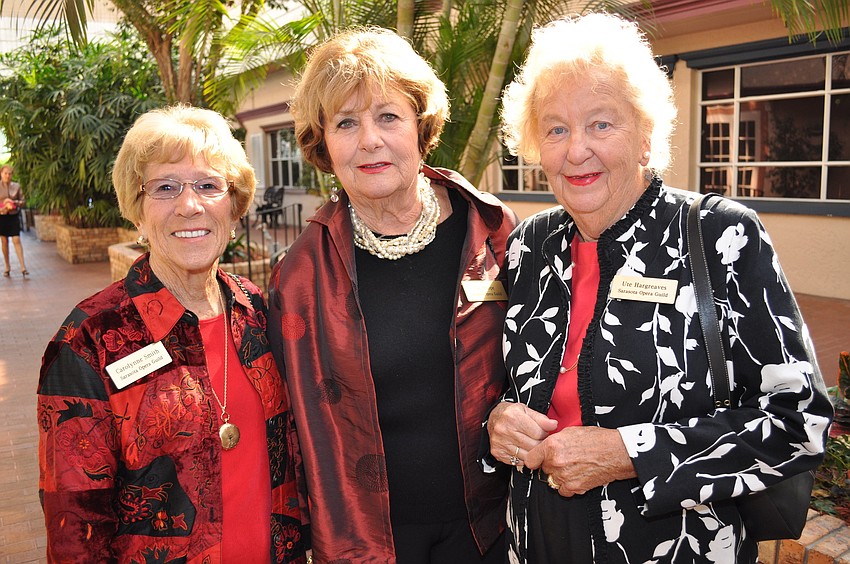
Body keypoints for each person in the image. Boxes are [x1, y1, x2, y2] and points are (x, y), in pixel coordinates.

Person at [485, 13, 833, 563]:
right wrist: (499, 420)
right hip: (540, 539)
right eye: (556, 128)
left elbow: (799, 419)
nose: (576, 150)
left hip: (674, 545)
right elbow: (508, 384)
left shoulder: (719, 234)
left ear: (645, 135)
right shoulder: (530, 246)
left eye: (601, 124)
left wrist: (630, 453)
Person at [267, 27, 516, 563]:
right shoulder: (301, 273)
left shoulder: (493, 233)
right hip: (367, 540)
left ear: (421, 128)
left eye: (388, 117)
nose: (370, 141)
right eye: (346, 123)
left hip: (490, 525)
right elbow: (285, 424)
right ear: (323, 142)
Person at [37, 105, 307, 563]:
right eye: (165, 187)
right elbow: (74, 531)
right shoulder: (90, 340)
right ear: (137, 214)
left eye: (208, 185)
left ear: (234, 205)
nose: (190, 204)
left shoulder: (256, 310)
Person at [0, 164, 29, 277]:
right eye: (5, 173)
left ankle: (23, 267)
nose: (7, 175)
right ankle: (7, 267)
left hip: (13, 216)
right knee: (4, 241)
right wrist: (3, 207)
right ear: (1, 174)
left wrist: (12, 203)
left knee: (16, 239)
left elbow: (23, 201)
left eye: (9, 173)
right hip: (2, 217)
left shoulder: (16, 186)